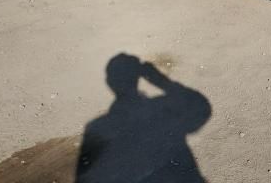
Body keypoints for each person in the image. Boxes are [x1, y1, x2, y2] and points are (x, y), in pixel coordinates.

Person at [76, 53, 211, 183]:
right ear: (139, 77)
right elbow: (201, 108)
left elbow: (84, 179)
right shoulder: (163, 110)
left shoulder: (98, 128)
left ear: (109, 82)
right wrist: (161, 81)